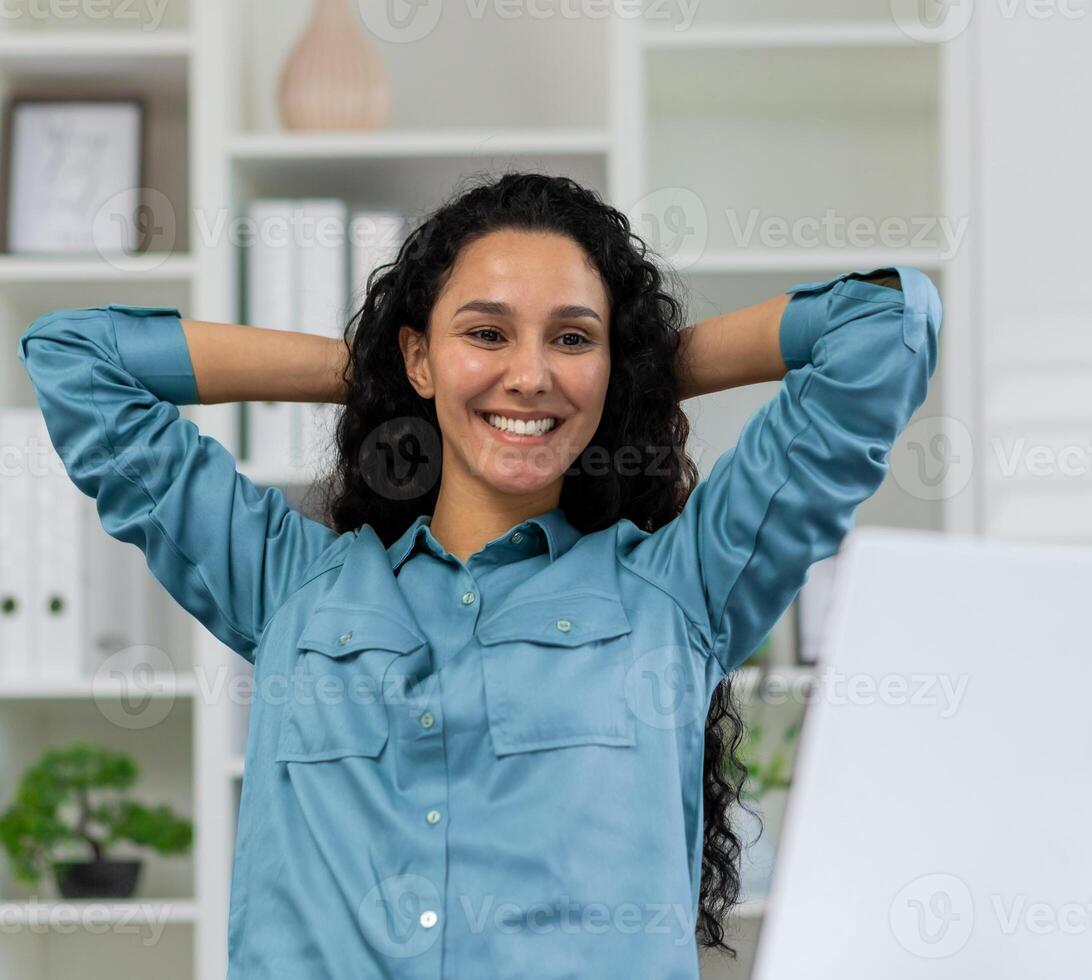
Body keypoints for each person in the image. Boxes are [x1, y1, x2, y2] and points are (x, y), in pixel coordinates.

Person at [17, 171, 943, 978]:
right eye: (486, 333)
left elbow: (886, 321)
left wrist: (639, 373)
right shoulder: (288, 585)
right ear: (419, 354)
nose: (531, 375)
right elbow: (75, 359)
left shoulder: (680, 593)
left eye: (574, 339)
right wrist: (380, 368)